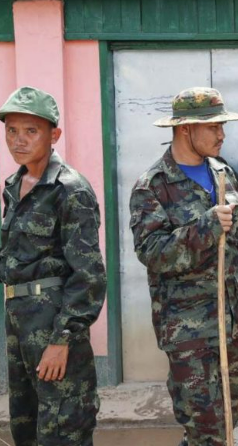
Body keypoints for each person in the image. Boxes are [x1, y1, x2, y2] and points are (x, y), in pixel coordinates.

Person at [129, 87, 238, 446]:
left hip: (234, 323)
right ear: (185, 129)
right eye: (213, 127)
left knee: (229, 419)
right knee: (205, 427)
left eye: (222, 126)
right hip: (189, 329)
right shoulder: (153, 185)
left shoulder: (223, 174)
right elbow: (152, 252)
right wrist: (204, 227)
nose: (222, 135)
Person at [0, 86, 106, 445]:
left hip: (53, 325)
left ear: (54, 134)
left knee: (63, 427)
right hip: (19, 322)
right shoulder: (16, 185)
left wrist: (63, 339)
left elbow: (89, 275)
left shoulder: (69, 190)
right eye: (11, 130)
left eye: (31, 131)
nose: (18, 140)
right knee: (26, 426)